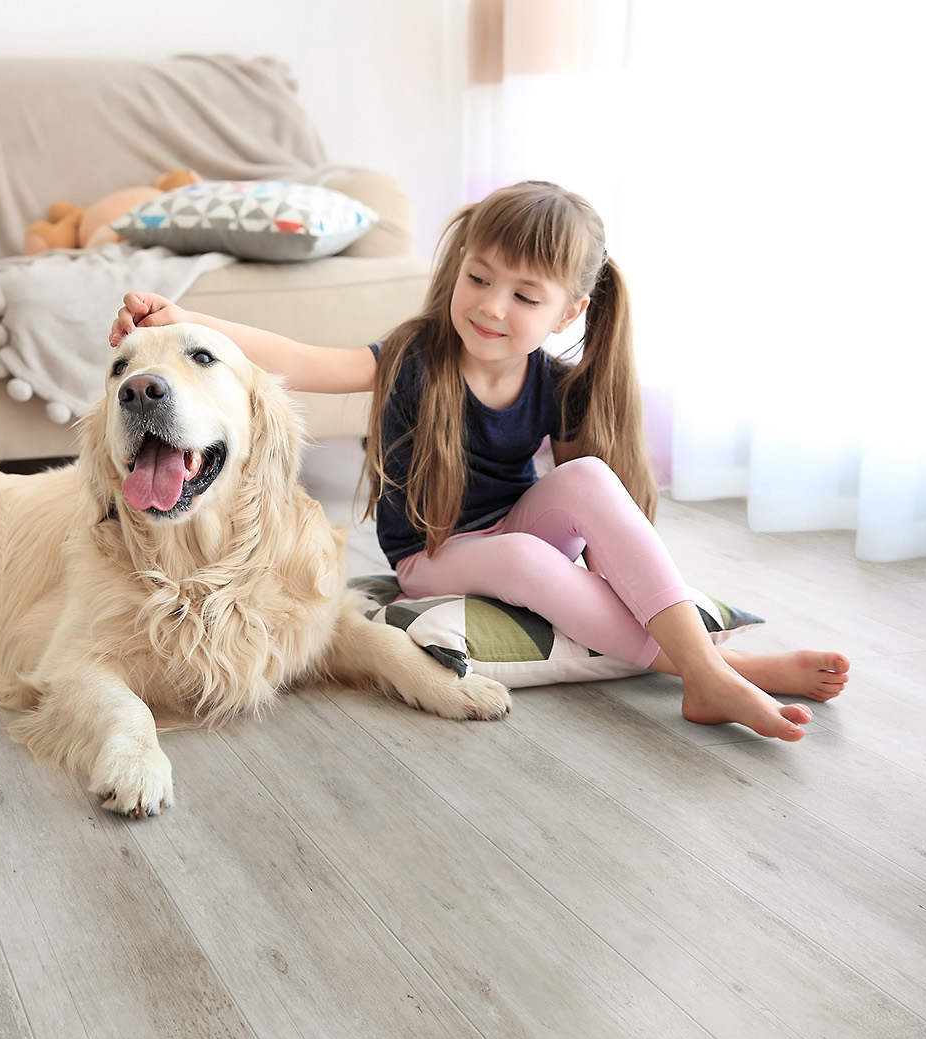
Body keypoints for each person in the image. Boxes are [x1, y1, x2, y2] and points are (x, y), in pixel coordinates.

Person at [108, 180, 848, 741]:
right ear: (459, 269)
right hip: (436, 555)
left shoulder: (557, 387)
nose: (491, 307)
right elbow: (302, 359)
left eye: (524, 295)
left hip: (517, 534)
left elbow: (594, 521)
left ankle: (704, 670)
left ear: (566, 314)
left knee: (586, 478)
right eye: (480, 278)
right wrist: (186, 320)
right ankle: (715, 672)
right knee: (524, 557)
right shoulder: (415, 357)